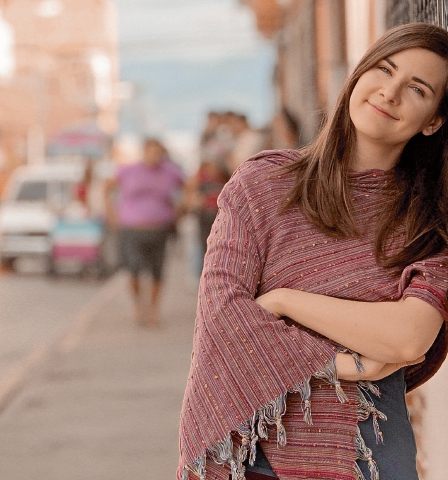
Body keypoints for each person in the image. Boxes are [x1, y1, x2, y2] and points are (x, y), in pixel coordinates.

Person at [178, 22, 448, 480]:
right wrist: (346, 364)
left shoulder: (428, 222)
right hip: (251, 444)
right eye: (384, 69)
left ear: (433, 120)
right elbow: (223, 316)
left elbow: (408, 337)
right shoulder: (262, 185)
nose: (390, 92)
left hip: (367, 452)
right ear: (359, 75)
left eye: (417, 88)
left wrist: (284, 301)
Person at [105, 138, 186, 327]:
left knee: (157, 271)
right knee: (133, 270)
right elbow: (107, 188)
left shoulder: (170, 171)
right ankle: (138, 306)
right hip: (132, 228)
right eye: (151, 152)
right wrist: (111, 213)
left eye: (157, 153)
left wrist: (181, 209)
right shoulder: (128, 171)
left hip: (159, 228)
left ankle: (153, 309)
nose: (154, 156)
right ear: (144, 152)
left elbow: (188, 186)